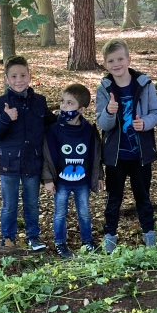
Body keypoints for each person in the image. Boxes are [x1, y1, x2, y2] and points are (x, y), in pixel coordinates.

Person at [95, 39, 157, 253]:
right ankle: (110, 235)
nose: (116, 64)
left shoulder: (144, 85)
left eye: (120, 59)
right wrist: (109, 111)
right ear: (106, 64)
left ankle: (149, 234)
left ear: (128, 60)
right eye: (111, 61)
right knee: (113, 197)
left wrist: (145, 123)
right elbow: (102, 123)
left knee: (143, 195)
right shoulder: (105, 89)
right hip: (116, 156)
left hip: (140, 154)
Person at [0, 55, 56, 250]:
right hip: (9, 164)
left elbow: (51, 123)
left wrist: (71, 120)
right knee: (10, 205)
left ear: (30, 77)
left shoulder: (39, 102)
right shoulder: (0, 104)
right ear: (6, 79)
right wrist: (5, 118)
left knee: (32, 203)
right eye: (14, 76)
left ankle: (33, 236)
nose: (19, 80)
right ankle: (8, 238)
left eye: (23, 75)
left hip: (32, 161)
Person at [42, 84, 104, 258]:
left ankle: (88, 241)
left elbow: (95, 155)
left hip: (82, 182)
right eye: (63, 102)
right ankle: (60, 242)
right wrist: (48, 179)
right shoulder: (54, 130)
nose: (63, 106)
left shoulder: (88, 131)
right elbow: (47, 156)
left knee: (84, 212)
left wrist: (99, 175)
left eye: (70, 103)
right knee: (60, 212)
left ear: (81, 109)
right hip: (61, 182)